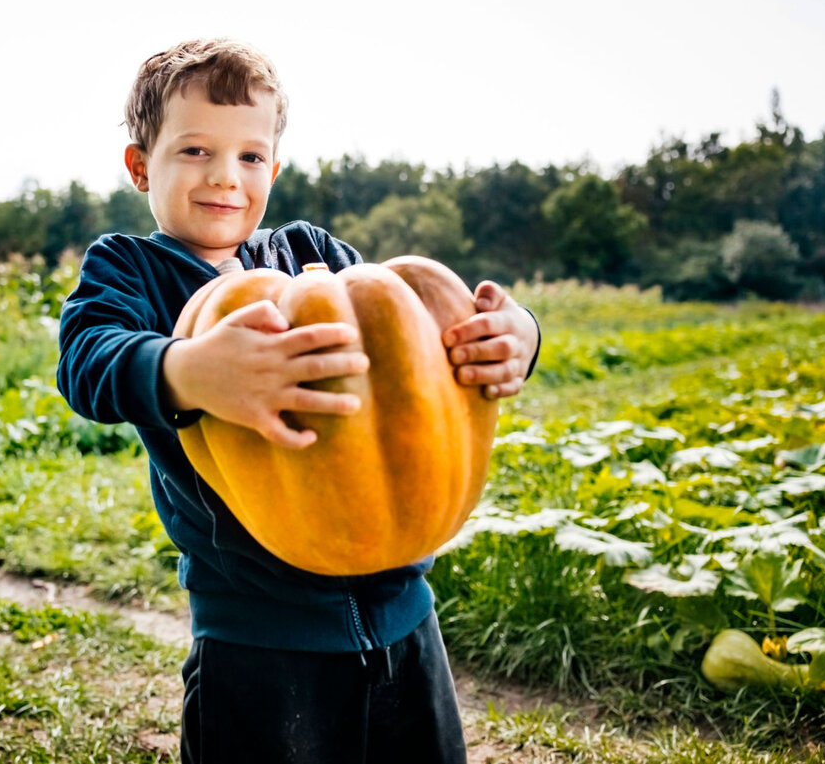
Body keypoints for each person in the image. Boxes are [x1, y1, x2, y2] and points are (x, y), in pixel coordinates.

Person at [57, 38, 540, 764]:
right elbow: (88, 362)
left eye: (250, 157)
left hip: (407, 613)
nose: (225, 176)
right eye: (194, 151)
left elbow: (414, 324)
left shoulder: (313, 255)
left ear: (273, 169)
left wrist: (518, 334)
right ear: (139, 165)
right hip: (257, 634)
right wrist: (190, 370)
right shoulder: (130, 269)